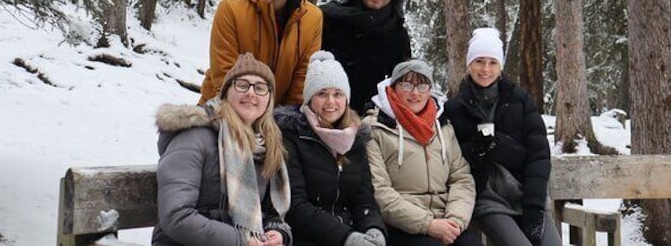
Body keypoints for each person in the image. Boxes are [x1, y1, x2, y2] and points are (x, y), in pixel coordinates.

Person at [153, 53, 293, 246]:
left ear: (269, 100)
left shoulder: (267, 145)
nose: (251, 93)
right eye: (242, 85)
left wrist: (278, 232)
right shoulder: (194, 137)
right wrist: (240, 240)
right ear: (226, 92)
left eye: (260, 88)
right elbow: (176, 216)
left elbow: (270, 212)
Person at [443, 28, 560, 246]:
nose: (485, 69)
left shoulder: (520, 100)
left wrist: (534, 206)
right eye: (479, 61)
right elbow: (451, 162)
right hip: (489, 199)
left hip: (527, 193)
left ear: (500, 67)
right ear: (469, 65)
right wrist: (474, 151)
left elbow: (539, 155)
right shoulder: (455, 108)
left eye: (492, 62)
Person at [363, 60, 482, 246]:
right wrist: (428, 224)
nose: (415, 93)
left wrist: (456, 220)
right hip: (401, 224)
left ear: (430, 90)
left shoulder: (443, 127)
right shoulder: (376, 129)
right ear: (394, 87)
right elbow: (379, 191)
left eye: (422, 85)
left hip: (446, 218)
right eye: (407, 84)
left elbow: (461, 178)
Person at [275, 51, 387, 246]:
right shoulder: (292, 135)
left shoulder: (355, 139)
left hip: (350, 231)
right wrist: (346, 238)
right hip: (306, 235)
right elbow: (295, 206)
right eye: (322, 94)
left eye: (337, 94)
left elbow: (364, 199)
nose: (331, 102)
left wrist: (373, 228)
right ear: (309, 98)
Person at [200, 0, 323, 105]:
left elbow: (303, 78)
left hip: (277, 116)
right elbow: (224, 73)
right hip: (225, 106)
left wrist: (287, 120)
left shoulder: (312, 17)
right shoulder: (231, 9)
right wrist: (248, 118)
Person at [320, 0, 411, 113]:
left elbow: (402, 85)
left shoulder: (397, 34)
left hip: (370, 124)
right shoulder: (331, 20)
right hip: (324, 114)